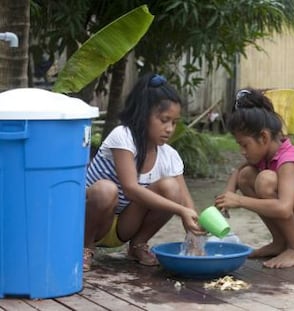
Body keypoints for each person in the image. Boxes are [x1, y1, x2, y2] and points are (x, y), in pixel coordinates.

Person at [83, 73, 205, 271]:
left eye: (174, 122)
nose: (169, 129)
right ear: (144, 114)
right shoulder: (122, 136)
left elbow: (186, 203)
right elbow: (130, 188)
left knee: (172, 189)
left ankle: (138, 245)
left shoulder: (170, 156)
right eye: (164, 120)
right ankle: (85, 248)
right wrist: (180, 210)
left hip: (123, 227)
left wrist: (195, 237)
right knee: (106, 190)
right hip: (88, 222)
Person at [214, 88, 294, 269]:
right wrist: (229, 192)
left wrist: (239, 200)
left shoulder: (289, 159)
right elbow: (240, 171)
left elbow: (283, 208)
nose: (242, 151)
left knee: (266, 181)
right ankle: (281, 242)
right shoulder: (269, 155)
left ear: (264, 137)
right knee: (246, 176)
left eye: (244, 145)